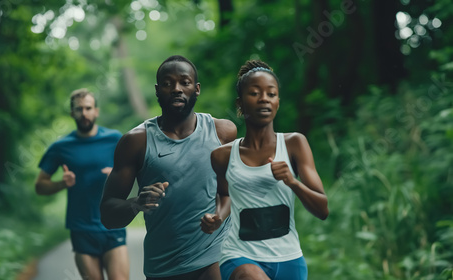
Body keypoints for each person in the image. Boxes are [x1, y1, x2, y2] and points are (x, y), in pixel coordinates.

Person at [100, 55, 237, 280]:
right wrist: (137, 203)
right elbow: (107, 215)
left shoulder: (223, 132)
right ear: (157, 90)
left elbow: (231, 191)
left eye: (185, 82)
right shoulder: (136, 142)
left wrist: (220, 217)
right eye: (167, 83)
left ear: (197, 88)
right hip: (164, 267)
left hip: (215, 256)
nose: (176, 89)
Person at [200, 60, 329, 280]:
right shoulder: (222, 156)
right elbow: (225, 196)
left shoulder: (295, 144)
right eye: (255, 93)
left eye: (271, 94)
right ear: (240, 103)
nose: (264, 99)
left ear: (278, 101)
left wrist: (292, 181)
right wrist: (218, 217)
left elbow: (322, 209)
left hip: (289, 259)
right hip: (240, 256)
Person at [35, 88, 129, 280]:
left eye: (88, 108)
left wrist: (118, 175)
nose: (84, 113)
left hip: (113, 223)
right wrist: (62, 183)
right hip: (81, 228)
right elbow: (40, 186)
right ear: (72, 113)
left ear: (96, 111)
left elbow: (137, 173)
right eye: (79, 109)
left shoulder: (115, 139)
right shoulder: (61, 147)